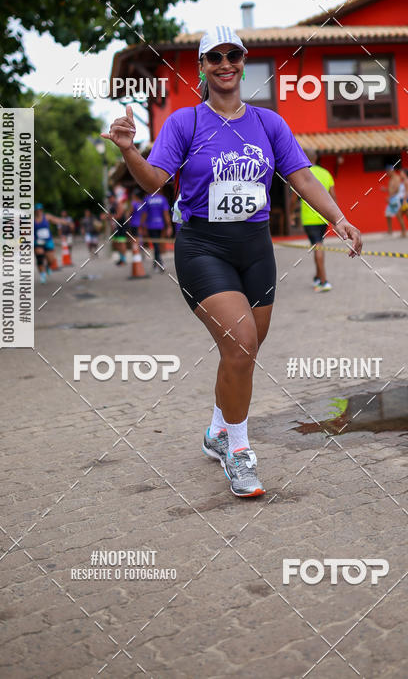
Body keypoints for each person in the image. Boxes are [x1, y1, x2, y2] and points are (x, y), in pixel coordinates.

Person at [102, 26, 362, 498]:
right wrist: (128, 150)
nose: (225, 63)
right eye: (214, 57)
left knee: (243, 350)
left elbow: (301, 177)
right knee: (241, 345)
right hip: (203, 247)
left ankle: (217, 429)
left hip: (256, 249)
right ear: (201, 66)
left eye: (233, 55)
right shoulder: (185, 123)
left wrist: (338, 218)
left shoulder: (268, 123)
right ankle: (239, 451)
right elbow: (154, 181)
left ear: (243, 62)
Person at [291, 150, 336, 292]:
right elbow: (333, 197)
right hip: (324, 218)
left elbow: (293, 199)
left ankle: (324, 281)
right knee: (318, 246)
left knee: (317, 246)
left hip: (309, 219)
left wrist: (292, 213)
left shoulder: (302, 175)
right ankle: (318, 276)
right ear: (316, 157)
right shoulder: (326, 173)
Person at [143, 191, 172, 272]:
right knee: (157, 245)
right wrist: (169, 226)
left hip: (151, 225)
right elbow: (166, 214)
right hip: (160, 225)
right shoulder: (162, 199)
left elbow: (144, 214)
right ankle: (156, 263)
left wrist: (143, 226)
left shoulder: (147, 199)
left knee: (156, 245)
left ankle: (159, 264)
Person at [34, 204, 63, 283]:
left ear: (42, 210)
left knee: (51, 259)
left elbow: (57, 220)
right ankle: (42, 275)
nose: (39, 212)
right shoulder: (32, 220)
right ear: (34, 211)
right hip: (37, 241)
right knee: (40, 258)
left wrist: (67, 222)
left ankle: (48, 266)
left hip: (48, 241)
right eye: (37, 210)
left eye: (40, 210)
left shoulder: (46, 217)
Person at [382, 165, 406, 237]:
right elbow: (391, 189)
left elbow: (397, 189)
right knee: (388, 215)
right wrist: (385, 189)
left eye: (388, 172)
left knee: (399, 216)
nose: (387, 173)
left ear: (391, 171)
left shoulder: (396, 178)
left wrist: (390, 197)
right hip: (392, 198)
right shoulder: (391, 179)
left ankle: (404, 232)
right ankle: (390, 231)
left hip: (395, 199)